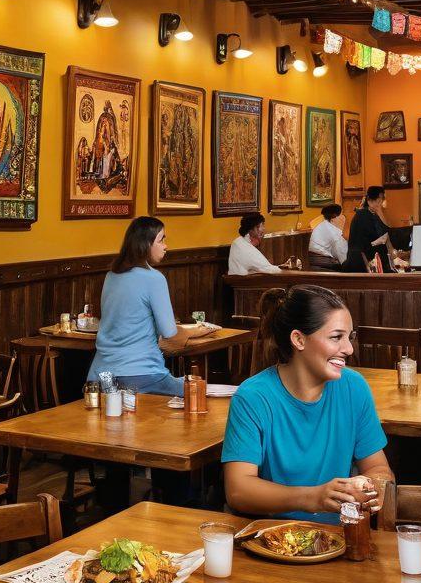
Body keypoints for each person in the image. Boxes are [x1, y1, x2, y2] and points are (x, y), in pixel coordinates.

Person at [222, 285, 393, 523]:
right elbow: (238, 491)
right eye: (336, 337)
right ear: (299, 339)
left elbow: (379, 468)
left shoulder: (354, 387)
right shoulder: (252, 397)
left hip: (338, 539)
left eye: (350, 337)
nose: (349, 349)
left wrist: (372, 485)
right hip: (271, 538)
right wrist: (313, 498)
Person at [88, 216, 214, 397]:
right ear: (146, 244)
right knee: (198, 394)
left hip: (100, 374)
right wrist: (198, 330)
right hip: (141, 374)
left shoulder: (111, 276)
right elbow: (170, 333)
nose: (166, 245)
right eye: (161, 239)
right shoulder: (154, 279)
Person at [343, 186, 408, 273]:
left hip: (371, 257)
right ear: (373, 199)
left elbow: (385, 231)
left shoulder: (372, 213)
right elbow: (378, 237)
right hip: (362, 261)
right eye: (381, 199)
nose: (382, 202)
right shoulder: (362, 214)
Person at [228, 211, 286, 276]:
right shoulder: (242, 246)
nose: (263, 229)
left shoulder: (238, 242)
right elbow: (268, 269)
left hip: (247, 282)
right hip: (246, 284)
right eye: (262, 225)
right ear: (254, 228)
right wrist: (290, 270)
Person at [308, 203, 347, 271]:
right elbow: (343, 256)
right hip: (324, 264)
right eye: (341, 215)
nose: (343, 218)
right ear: (333, 218)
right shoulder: (334, 232)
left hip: (313, 262)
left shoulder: (322, 225)